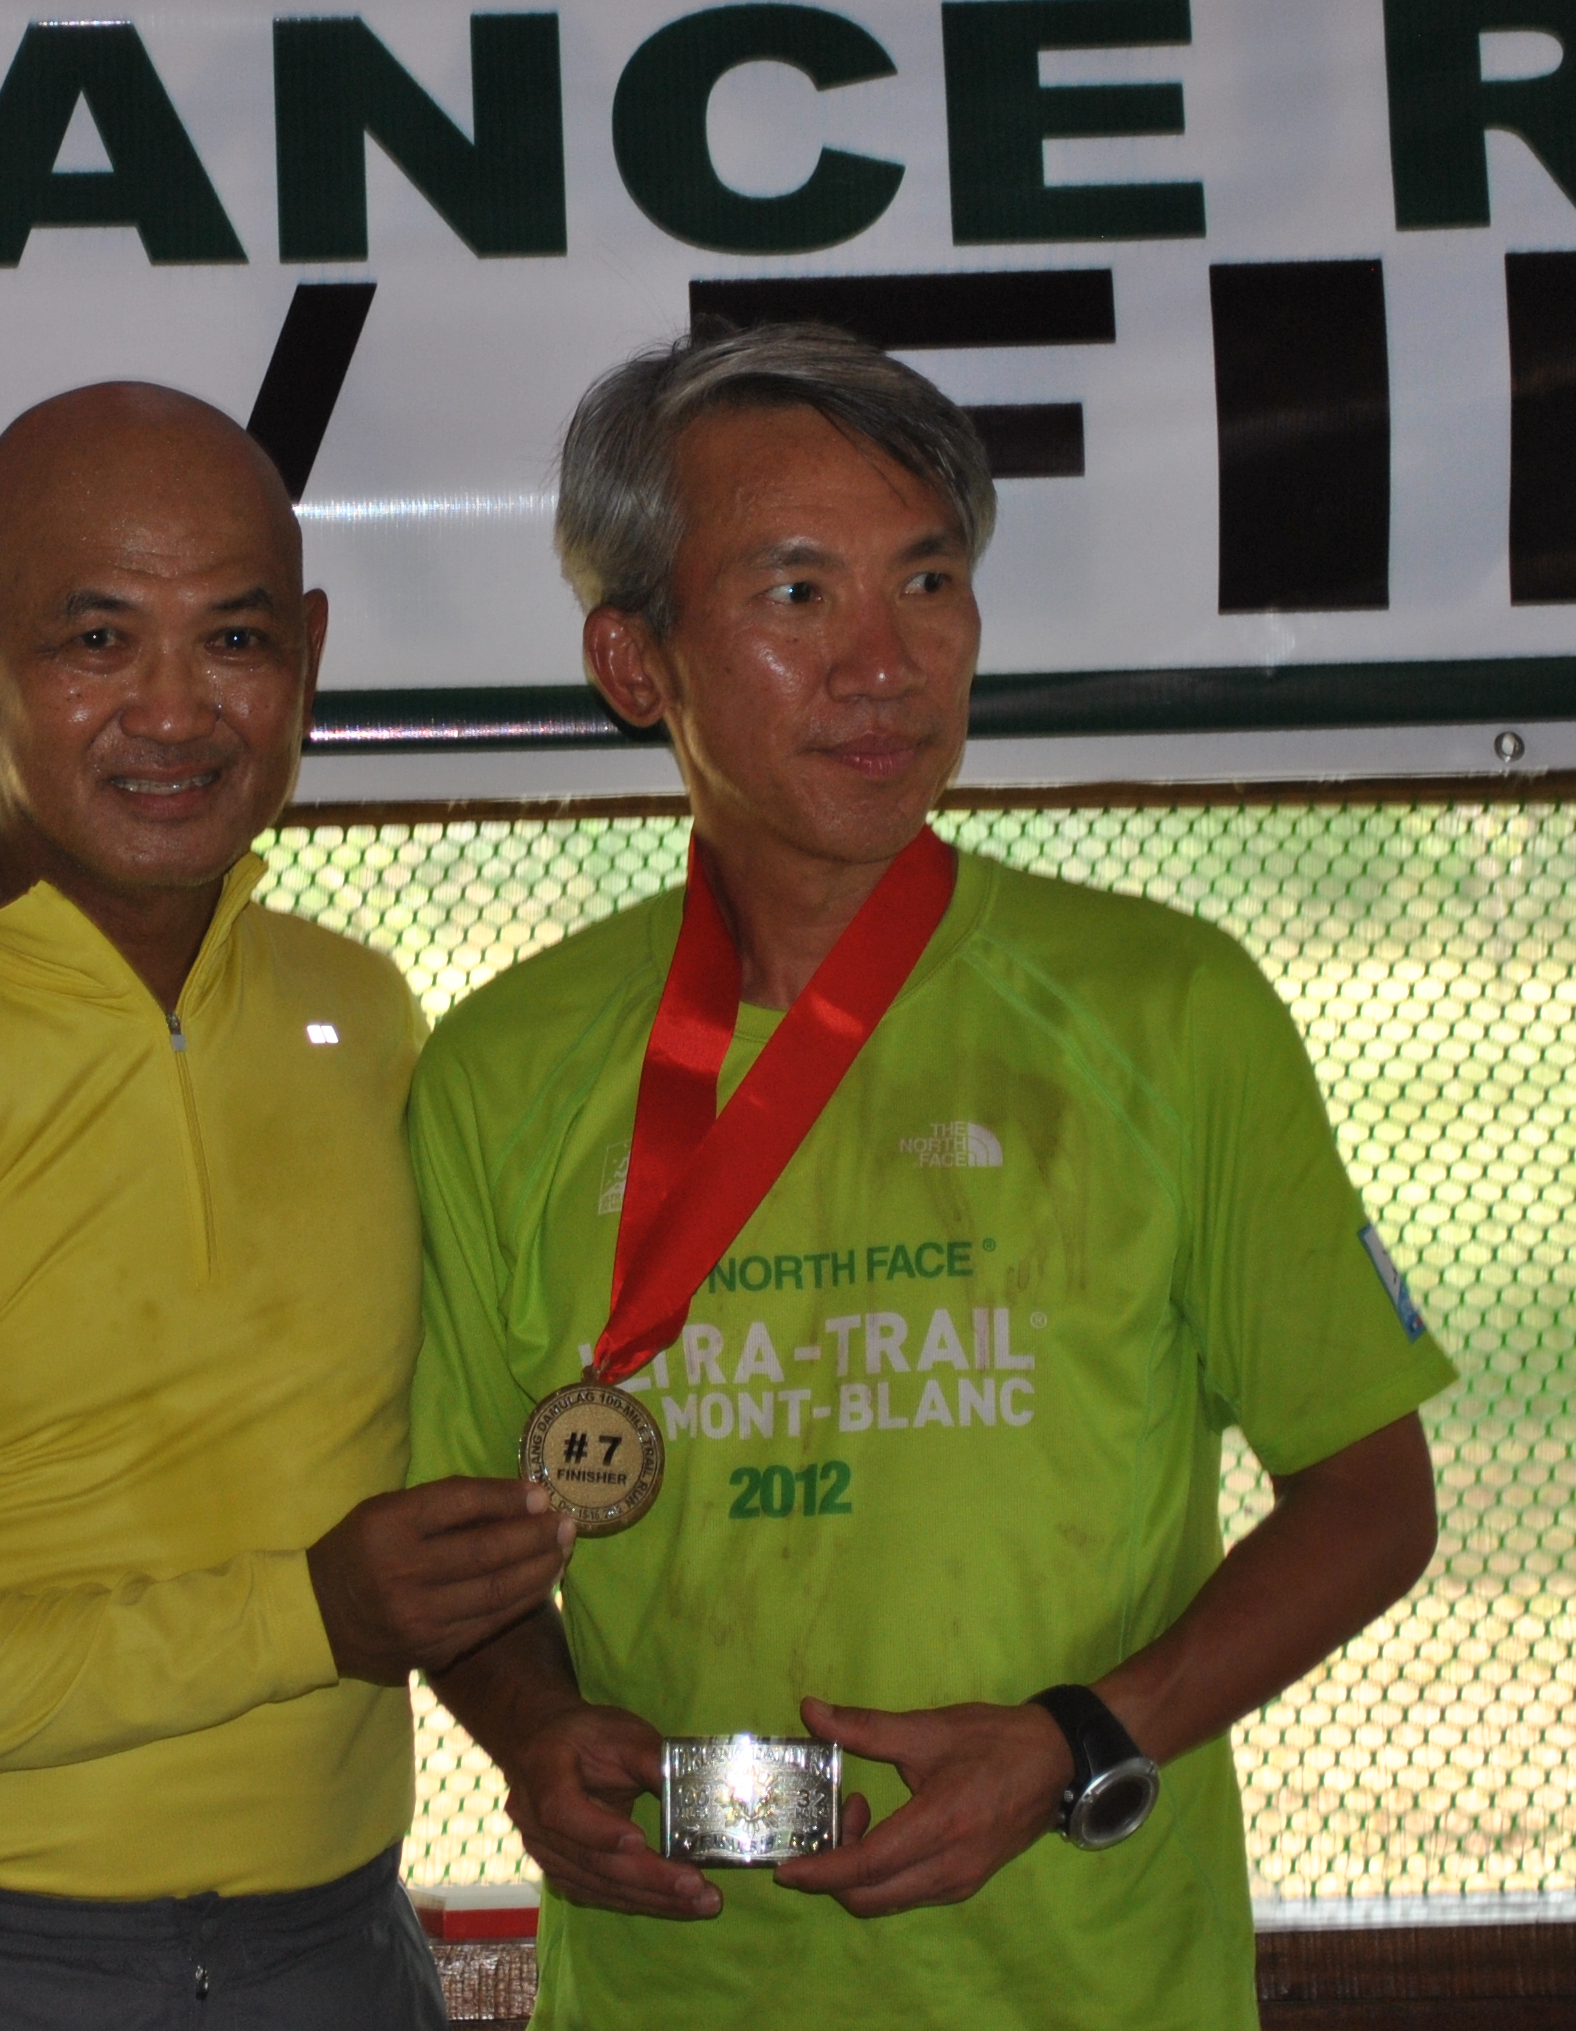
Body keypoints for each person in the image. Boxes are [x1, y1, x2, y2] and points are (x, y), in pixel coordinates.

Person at [409, 324, 1455, 2028]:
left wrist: (1080, 1741)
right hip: (679, 1989)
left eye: (929, 582)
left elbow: (1371, 1501)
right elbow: (458, 1551)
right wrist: (532, 1728)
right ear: (635, 658)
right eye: (798, 595)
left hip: (1092, 1991)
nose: (886, 664)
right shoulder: (500, 1070)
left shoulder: (1171, 1008)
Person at [0, 382, 573, 2030]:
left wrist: (546, 1708)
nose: (175, 711)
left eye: (235, 641)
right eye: (97, 641)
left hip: (342, 1950)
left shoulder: (361, 1013)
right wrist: (301, 1616)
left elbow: (421, 1488)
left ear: (306, 657)